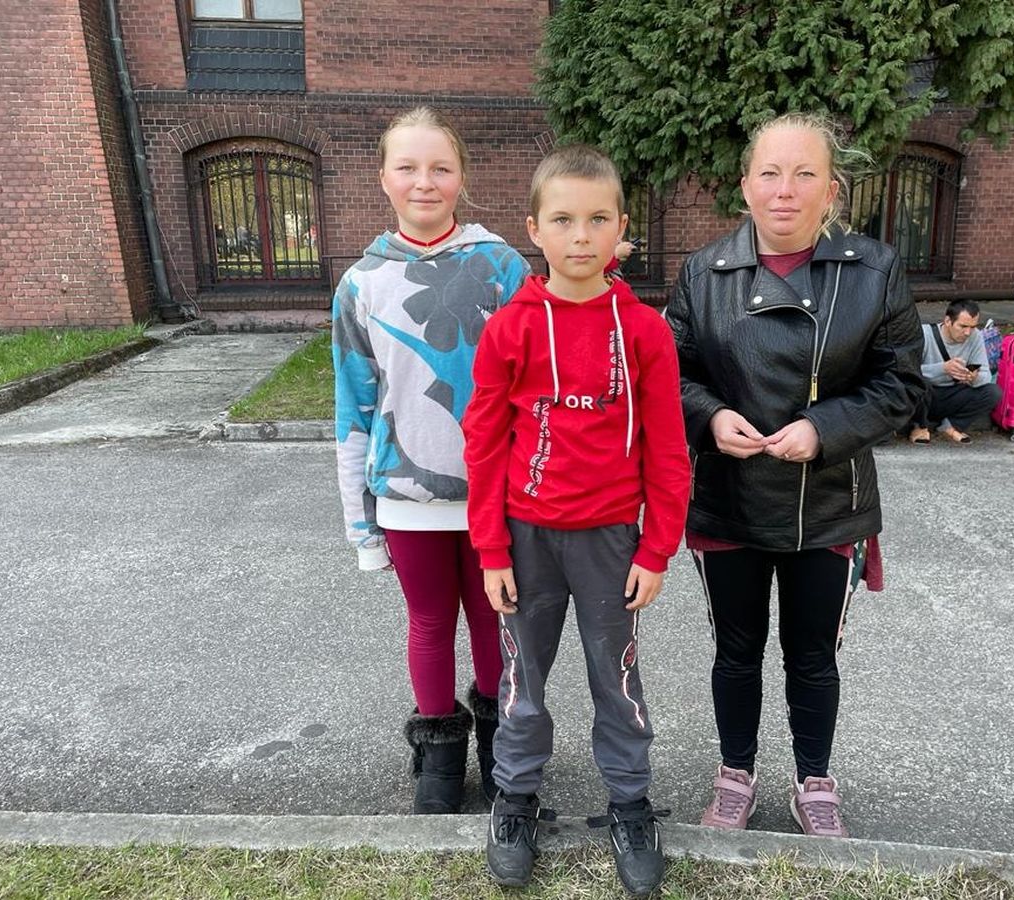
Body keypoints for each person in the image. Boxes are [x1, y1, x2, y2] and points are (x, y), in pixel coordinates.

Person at [666, 113, 925, 838]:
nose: (786, 190)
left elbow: (903, 387)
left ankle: (815, 778)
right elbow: (671, 374)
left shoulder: (874, 271)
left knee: (813, 657)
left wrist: (823, 429)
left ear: (831, 189)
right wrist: (712, 417)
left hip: (831, 503)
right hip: (729, 499)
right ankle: (735, 774)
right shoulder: (701, 271)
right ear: (745, 186)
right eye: (770, 173)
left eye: (804, 173)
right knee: (736, 651)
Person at [463, 144, 690, 895]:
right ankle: (516, 799)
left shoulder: (647, 332)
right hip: (525, 542)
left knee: (615, 680)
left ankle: (630, 805)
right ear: (535, 228)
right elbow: (484, 440)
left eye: (598, 219)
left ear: (623, 227)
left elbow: (668, 449)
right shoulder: (511, 328)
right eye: (563, 219)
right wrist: (491, 550)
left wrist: (656, 549)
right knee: (523, 682)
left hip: (611, 541)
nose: (582, 236)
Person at [332, 106, 529, 815]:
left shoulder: (501, 266)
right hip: (406, 496)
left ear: (461, 179)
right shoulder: (360, 285)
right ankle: (439, 756)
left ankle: (504, 748)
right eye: (408, 167)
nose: (425, 182)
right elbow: (352, 408)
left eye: (440, 168)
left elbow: (537, 375)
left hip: (493, 496)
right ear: (383, 177)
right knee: (429, 621)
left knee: (490, 619)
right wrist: (360, 523)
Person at [909, 299, 1002, 444]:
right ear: (947, 321)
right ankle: (919, 426)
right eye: (963, 326)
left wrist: (973, 377)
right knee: (917, 384)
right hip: (926, 394)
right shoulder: (924, 334)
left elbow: (985, 374)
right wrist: (943, 368)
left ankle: (951, 426)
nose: (967, 332)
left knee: (993, 392)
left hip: (953, 393)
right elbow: (908, 371)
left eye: (973, 327)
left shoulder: (975, 336)